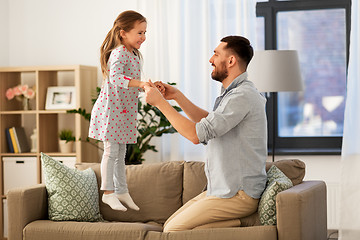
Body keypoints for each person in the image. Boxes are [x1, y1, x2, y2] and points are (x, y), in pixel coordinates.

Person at [144, 36, 267, 231]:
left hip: (237, 194)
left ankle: (245, 222)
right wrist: (176, 96)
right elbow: (209, 123)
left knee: (172, 231)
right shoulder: (233, 94)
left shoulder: (242, 96)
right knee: (168, 225)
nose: (211, 59)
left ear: (231, 61)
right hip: (222, 190)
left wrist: (161, 103)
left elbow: (196, 135)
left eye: (216, 54)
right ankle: (241, 223)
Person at [89, 10, 161, 211]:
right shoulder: (119, 52)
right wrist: (140, 83)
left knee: (121, 153)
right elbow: (116, 79)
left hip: (124, 111)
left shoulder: (134, 55)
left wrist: (147, 86)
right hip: (112, 110)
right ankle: (108, 193)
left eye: (145, 32)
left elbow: (130, 83)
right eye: (139, 33)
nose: (144, 37)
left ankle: (121, 190)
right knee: (111, 152)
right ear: (123, 33)